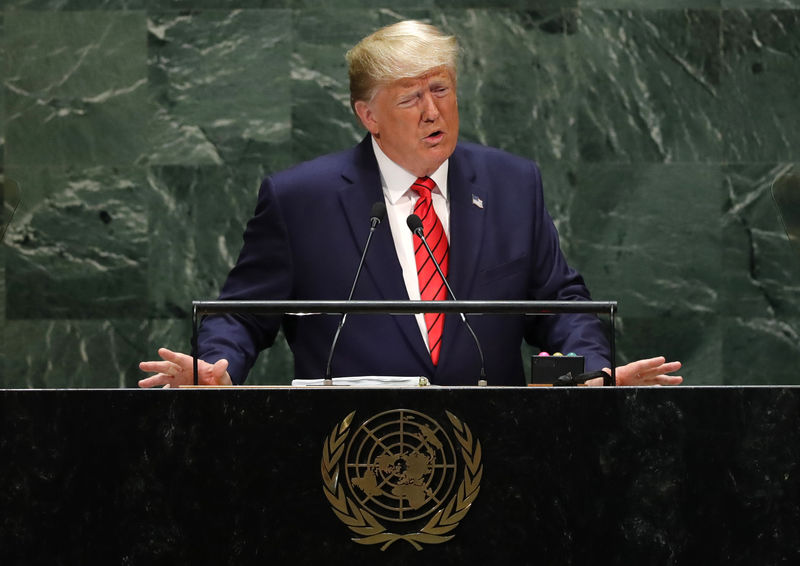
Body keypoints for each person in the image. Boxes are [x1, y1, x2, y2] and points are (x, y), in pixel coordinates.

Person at [139, 20, 682, 388]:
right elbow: (242, 311)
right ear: (368, 116)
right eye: (410, 98)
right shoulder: (301, 199)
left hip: (500, 456)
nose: (432, 112)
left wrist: (590, 373)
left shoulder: (512, 184)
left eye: (441, 90)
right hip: (349, 460)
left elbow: (560, 305)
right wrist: (218, 365)